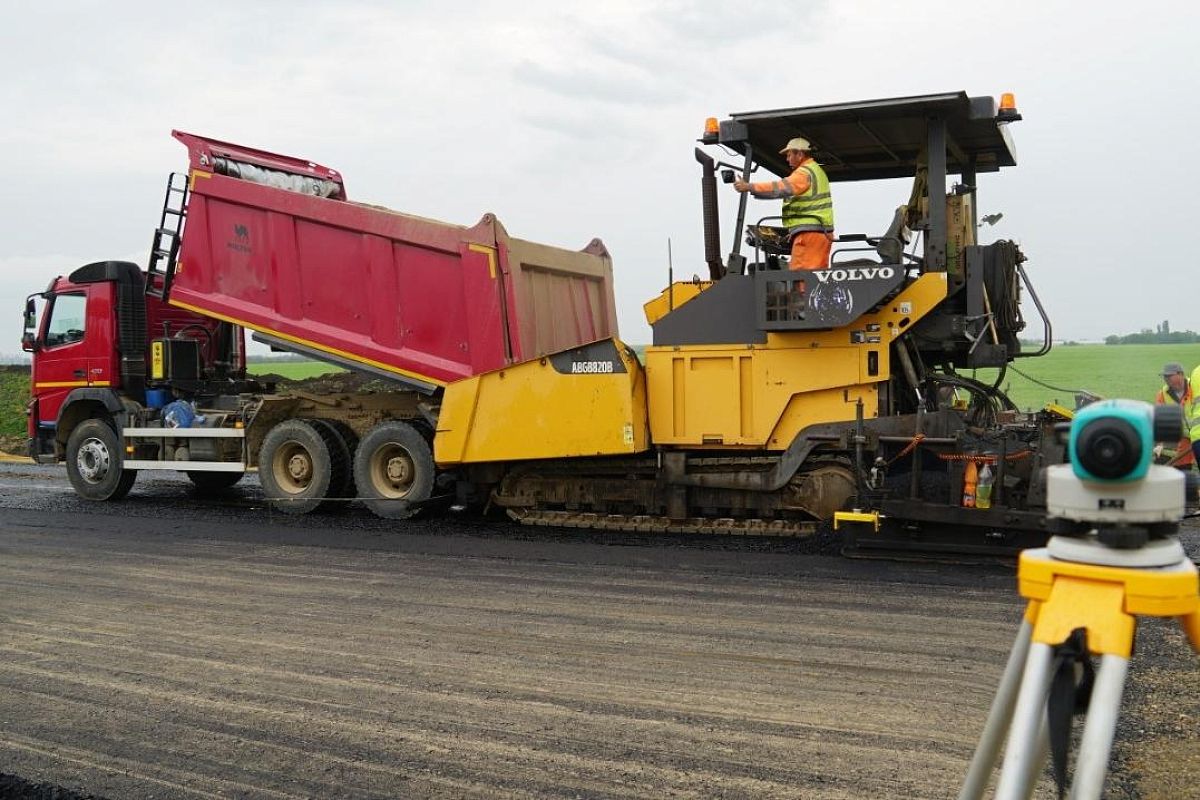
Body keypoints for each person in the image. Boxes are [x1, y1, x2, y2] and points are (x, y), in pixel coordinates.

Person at [733, 137, 835, 270]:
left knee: (801, 278)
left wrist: (749, 187)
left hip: (809, 234)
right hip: (819, 233)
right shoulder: (817, 171)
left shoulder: (805, 172)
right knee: (815, 278)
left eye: (789, 155)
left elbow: (780, 187)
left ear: (799, 154)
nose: (787, 159)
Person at [1155, 362, 1195, 469]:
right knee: (1181, 465)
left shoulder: (1195, 387)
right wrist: (1159, 444)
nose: (1166, 379)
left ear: (1181, 374)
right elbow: (1161, 420)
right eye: (1164, 376)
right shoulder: (1162, 394)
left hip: (1197, 433)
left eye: (1169, 376)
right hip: (1182, 437)